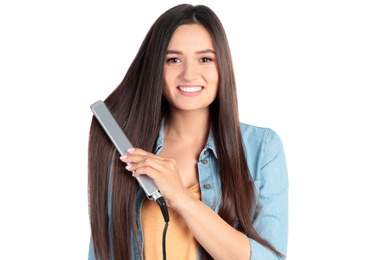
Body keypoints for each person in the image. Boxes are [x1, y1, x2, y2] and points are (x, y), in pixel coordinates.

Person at [88, 3, 288, 260]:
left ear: (222, 67)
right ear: (155, 69)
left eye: (205, 59)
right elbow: (103, 251)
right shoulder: (124, 151)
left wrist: (181, 198)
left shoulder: (262, 148)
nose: (189, 74)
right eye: (173, 60)